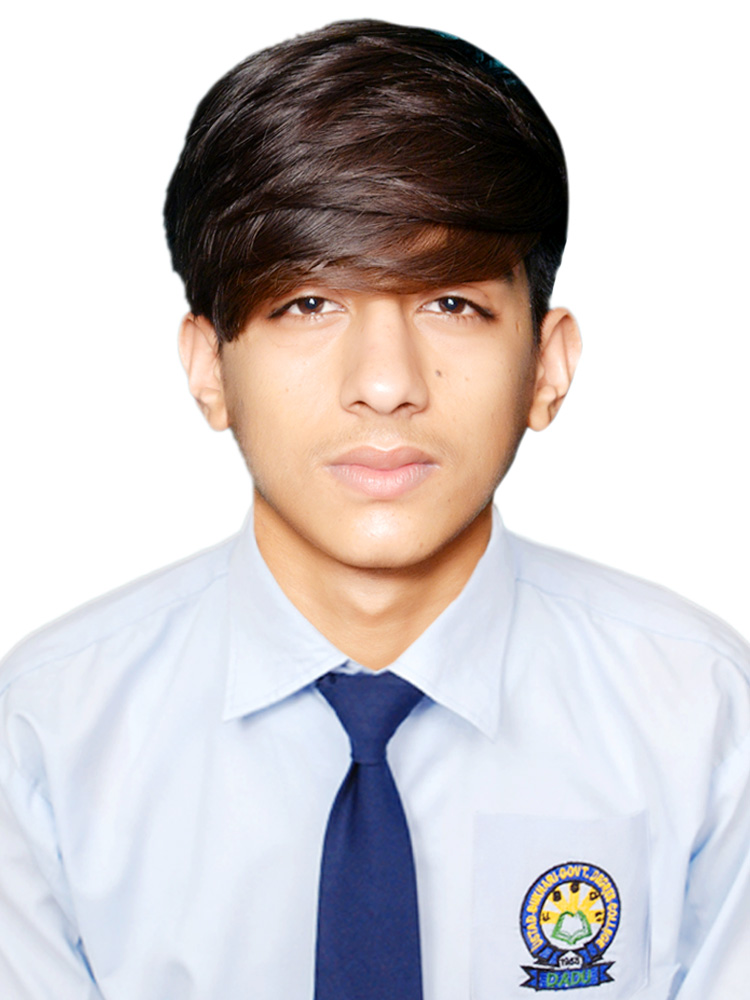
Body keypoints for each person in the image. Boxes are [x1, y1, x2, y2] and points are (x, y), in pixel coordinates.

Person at [0, 18, 748, 1000]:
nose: (387, 384)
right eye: (308, 303)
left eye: (451, 304)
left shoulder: (703, 715)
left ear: (548, 365)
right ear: (208, 367)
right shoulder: (45, 734)